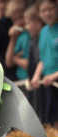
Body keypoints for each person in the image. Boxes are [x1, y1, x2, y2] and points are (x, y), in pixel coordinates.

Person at [30, 0, 58, 128]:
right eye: (43, 10)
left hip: (54, 81)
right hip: (48, 84)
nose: (47, 13)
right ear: (38, 13)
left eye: (50, 9)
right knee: (49, 123)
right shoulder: (43, 32)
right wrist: (36, 76)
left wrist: (53, 77)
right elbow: (43, 59)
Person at [24, 4, 45, 120]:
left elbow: (44, 61)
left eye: (28, 23)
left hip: (44, 86)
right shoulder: (33, 42)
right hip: (35, 88)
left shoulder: (43, 40)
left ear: (39, 22)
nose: (26, 27)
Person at [5, 0, 30, 92]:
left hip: (32, 81)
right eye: (14, 20)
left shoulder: (33, 35)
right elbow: (8, 62)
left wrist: (15, 59)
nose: (18, 22)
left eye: (21, 17)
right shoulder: (20, 36)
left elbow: (30, 64)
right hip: (21, 81)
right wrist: (12, 39)